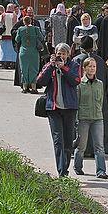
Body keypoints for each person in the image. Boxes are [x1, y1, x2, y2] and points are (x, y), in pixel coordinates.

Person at [37, 43, 80, 177]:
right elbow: (40, 80)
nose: (61, 56)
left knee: (68, 141)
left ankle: (65, 167)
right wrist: (51, 66)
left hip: (69, 108)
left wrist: (64, 68)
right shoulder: (50, 65)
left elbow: (76, 80)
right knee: (58, 140)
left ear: (68, 55)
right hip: (53, 108)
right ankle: (61, 171)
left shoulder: (74, 65)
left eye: (63, 54)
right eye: (59, 53)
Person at [72, 36, 108, 154]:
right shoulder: (100, 62)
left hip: (82, 100)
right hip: (100, 100)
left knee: (82, 125)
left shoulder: (77, 60)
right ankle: (97, 150)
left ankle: (83, 150)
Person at [74, 57, 108, 179]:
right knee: (81, 146)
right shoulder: (80, 85)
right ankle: (78, 166)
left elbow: (102, 100)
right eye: (90, 66)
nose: (92, 69)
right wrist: (76, 120)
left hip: (98, 118)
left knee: (99, 146)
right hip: (83, 118)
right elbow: (77, 103)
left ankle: (101, 171)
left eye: (94, 66)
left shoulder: (100, 84)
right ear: (84, 68)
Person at [11, 6, 41, 87]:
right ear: (26, 13)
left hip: (29, 50)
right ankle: (29, 86)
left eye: (31, 12)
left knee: (27, 69)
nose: (30, 14)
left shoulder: (36, 23)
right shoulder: (21, 24)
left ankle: (28, 86)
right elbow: (13, 31)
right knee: (28, 68)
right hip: (26, 49)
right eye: (29, 12)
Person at [15, 16, 43, 94]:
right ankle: (33, 88)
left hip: (23, 52)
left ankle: (25, 87)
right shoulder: (36, 29)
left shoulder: (20, 29)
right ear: (30, 21)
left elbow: (17, 39)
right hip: (34, 52)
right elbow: (41, 38)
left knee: (24, 69)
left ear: (24, 22)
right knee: (34, 69)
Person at [0, 3, 17, 69]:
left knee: (4, 50)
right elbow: (16, 25)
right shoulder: (15, 15)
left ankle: (4, 64)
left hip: (4, 35)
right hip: (12, 36)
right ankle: (12, 64)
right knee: (12, 51)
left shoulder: (3, 15)